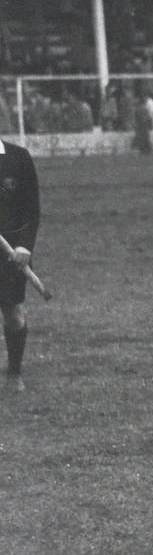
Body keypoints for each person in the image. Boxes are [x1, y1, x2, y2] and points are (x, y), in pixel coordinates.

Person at [0, 137, 40, 391]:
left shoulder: (18, 157)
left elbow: (32, 208)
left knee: (12, 311)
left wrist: (25, 246)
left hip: (12, 250)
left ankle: (14, 373)